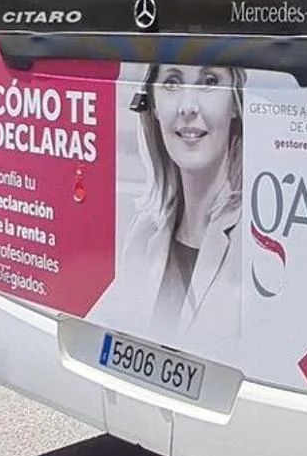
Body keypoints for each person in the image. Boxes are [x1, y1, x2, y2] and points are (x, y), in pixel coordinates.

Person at [104, 64, 246, 347]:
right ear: (153, 106)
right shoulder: (143, 234)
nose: (188, 107)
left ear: (235, 104)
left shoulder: (254, 241)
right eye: (171, 82)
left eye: (209, 81)